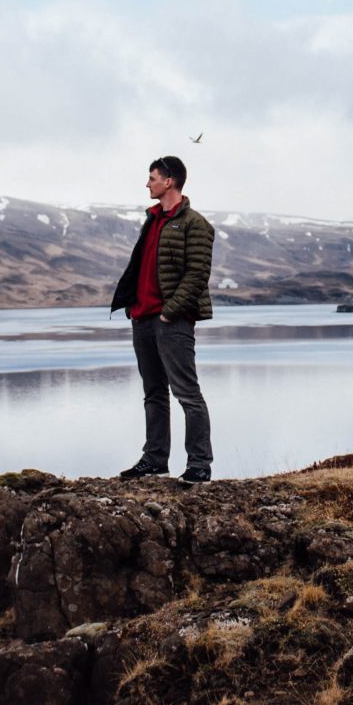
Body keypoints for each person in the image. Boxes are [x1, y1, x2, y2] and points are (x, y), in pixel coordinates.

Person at [108, 155, 216, 482]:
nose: (147, 184)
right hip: (142, 319)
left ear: (169, 181)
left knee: (187, 393)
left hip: (172, 321)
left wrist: (170, 311)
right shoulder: (152, 219)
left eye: (152, 178)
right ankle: (155, 459)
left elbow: (197, 275)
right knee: (154, 392)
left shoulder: (196, 224)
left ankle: (199, 464)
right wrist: (132, 307)